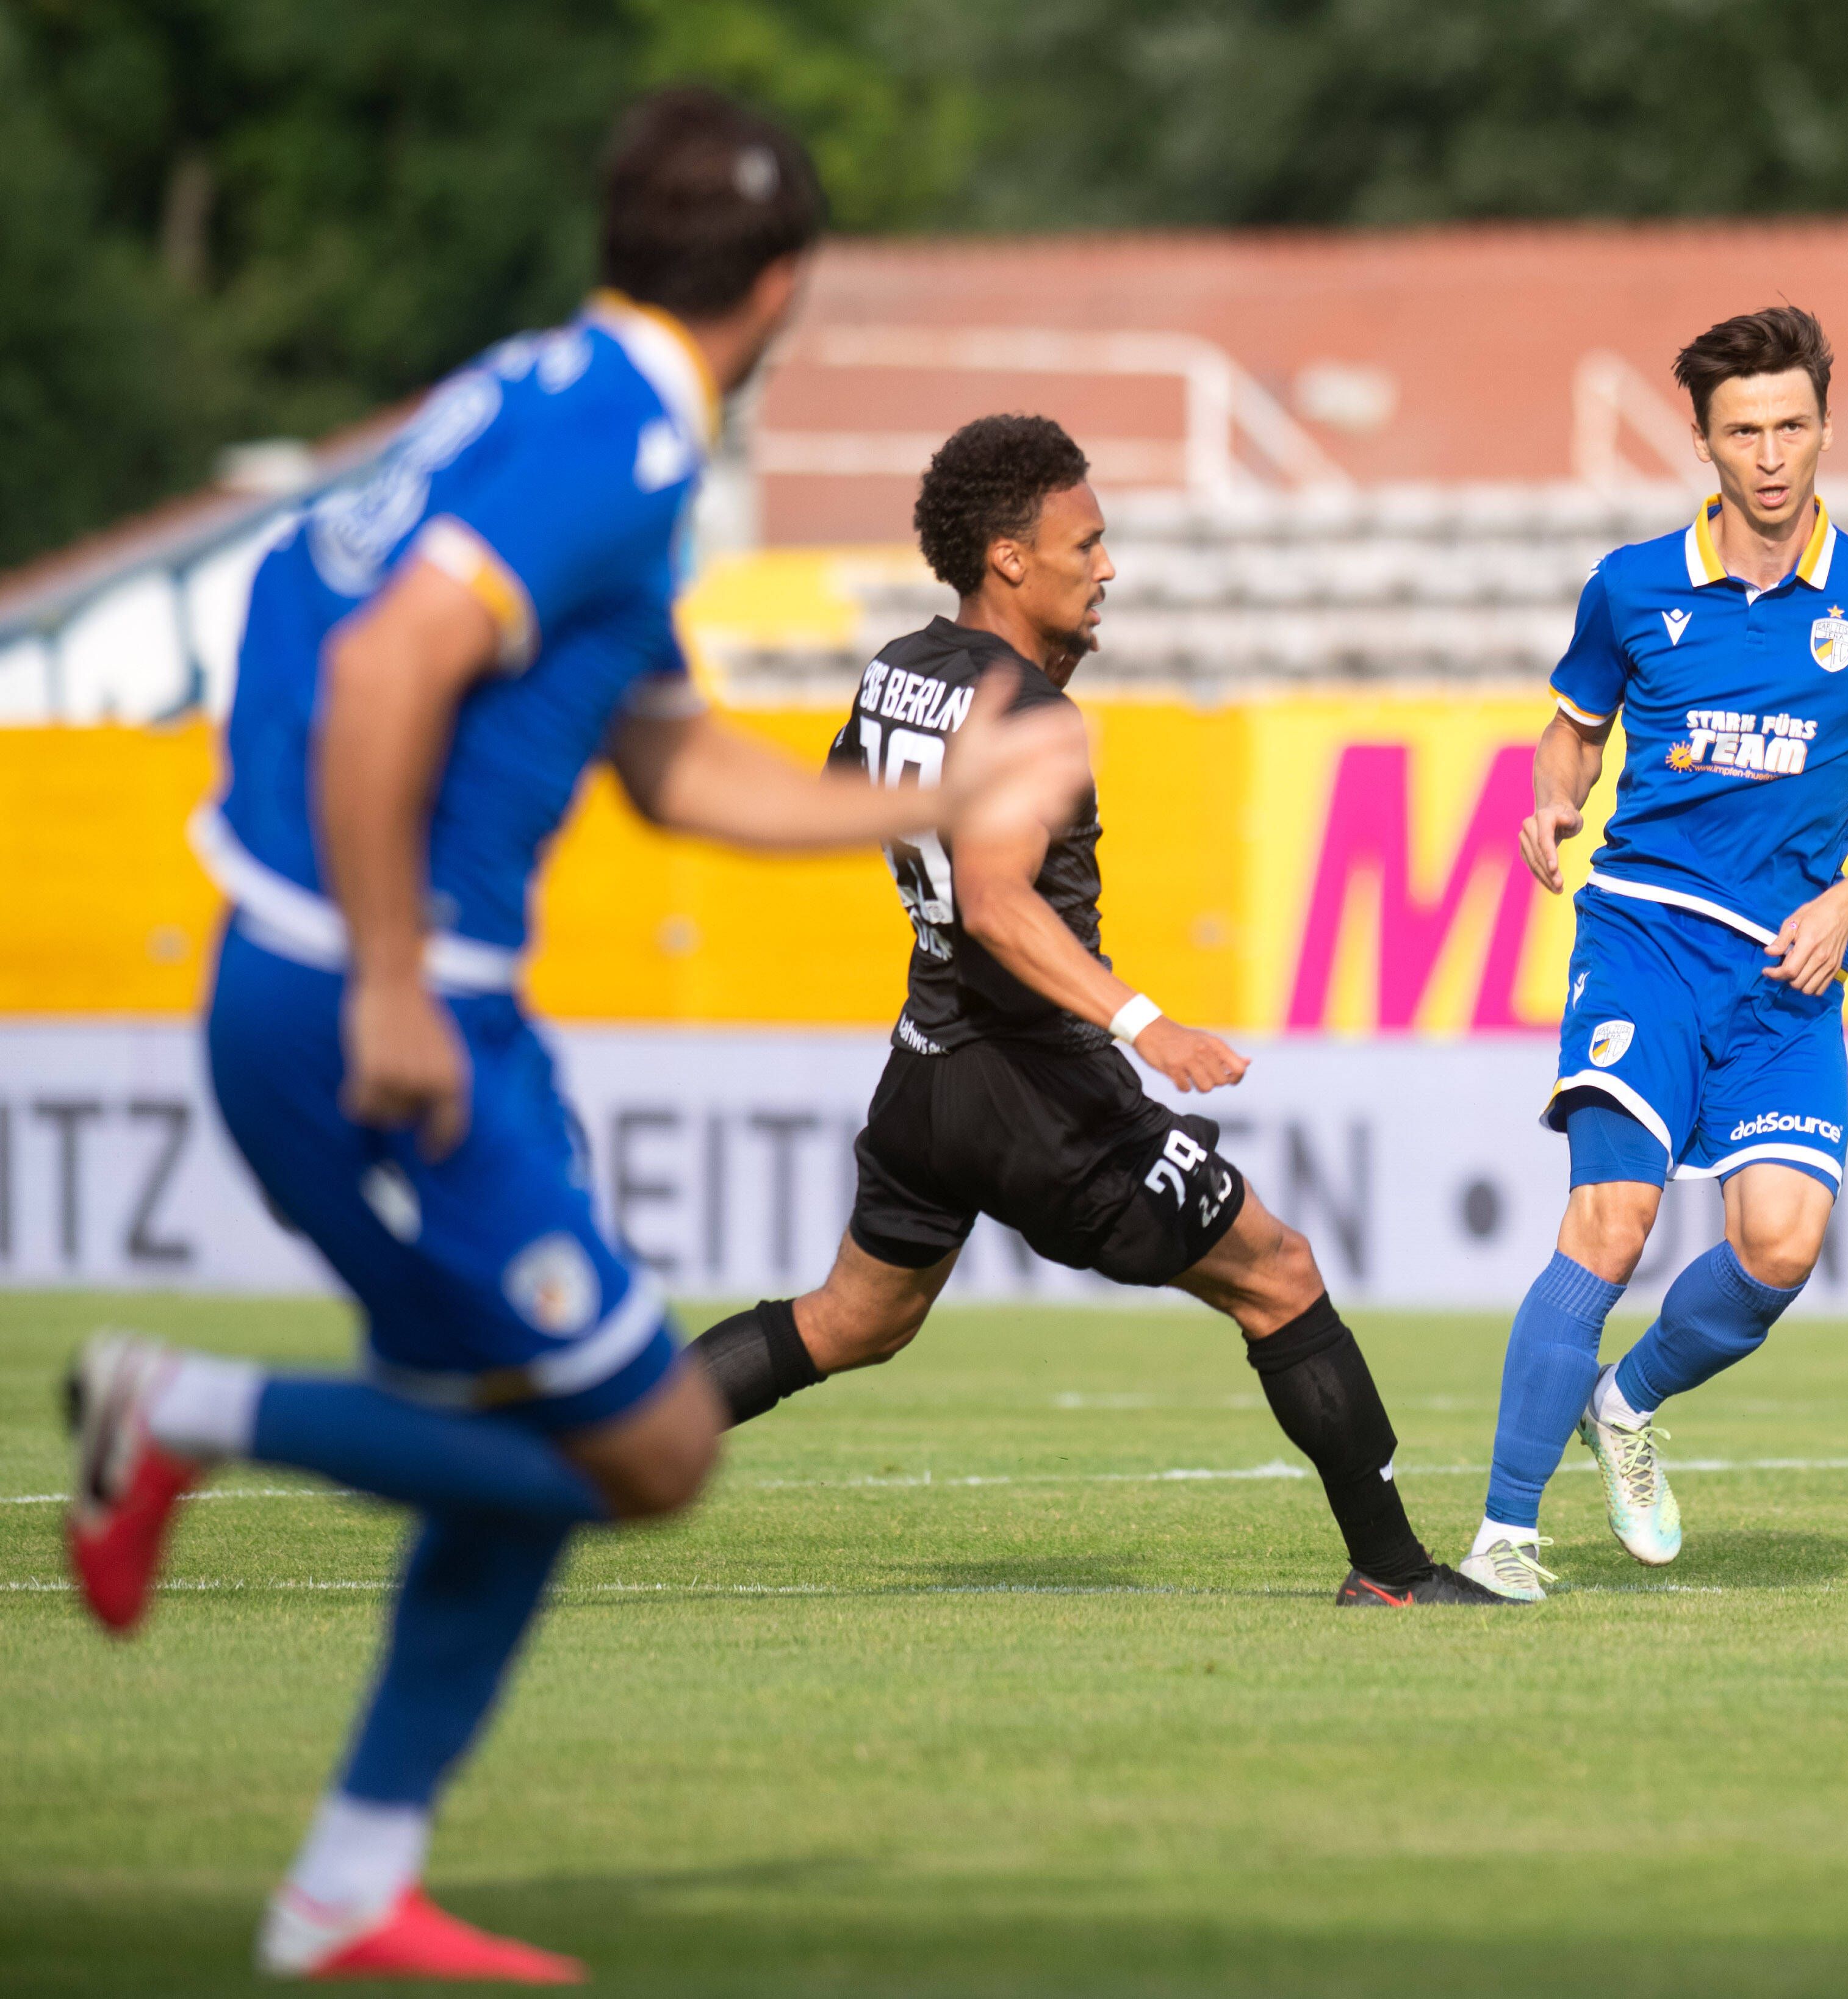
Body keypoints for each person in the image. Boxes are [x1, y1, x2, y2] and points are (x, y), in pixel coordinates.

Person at [60, 90, 1089, 1983]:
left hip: (399, 995)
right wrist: (383, 973)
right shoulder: (624, 443)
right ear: (783, 288)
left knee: (539, 1432)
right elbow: (389, 666)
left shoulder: (535, 390)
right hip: (369, 1008)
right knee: (646, 1451)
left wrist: (930, 801)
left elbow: (664, 762)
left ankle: (347, 1885)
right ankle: (178, 1406)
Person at [683, 412, 1503, 1609]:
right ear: (1010, 557)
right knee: (1277, 1271)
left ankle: (601, 1439)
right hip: (1038, 1089)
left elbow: (846, 798)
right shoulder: (1029, 715)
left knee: (854, 1318)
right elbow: (1000, 904)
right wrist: (1143, 1023)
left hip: (926, 1066)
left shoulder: (903, 666)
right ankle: (1391, 1572)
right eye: (1088, 542)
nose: (1107, 566)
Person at [1454, 306, 1848, 1603]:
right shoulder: (1631, 587)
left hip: (1788, 976)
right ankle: (1503, 1538)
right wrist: (1555, 797)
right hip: (1642, 940)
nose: (1773, 455)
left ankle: (1623, 1403)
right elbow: (1568, 732)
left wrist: (1846, 901)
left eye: (1793, 425)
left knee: (1781, 1246)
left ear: (1825, 428)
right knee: (1612, 1218)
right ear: (1702, 442)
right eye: (1745, 431)